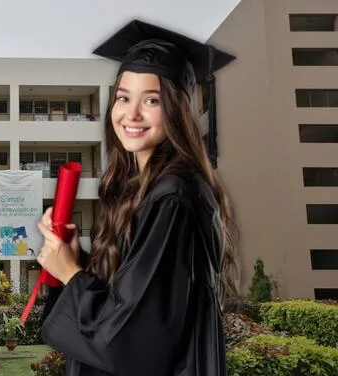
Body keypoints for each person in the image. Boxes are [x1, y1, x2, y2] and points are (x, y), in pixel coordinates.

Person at [36, 19, 239, 376]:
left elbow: (136, 339)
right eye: (123, 98)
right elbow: (134, 292)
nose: (132, 114)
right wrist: (75, 257)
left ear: (176, 109)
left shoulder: (173, 196)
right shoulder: (146, 188)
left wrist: (69, 273)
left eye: (152, 100)